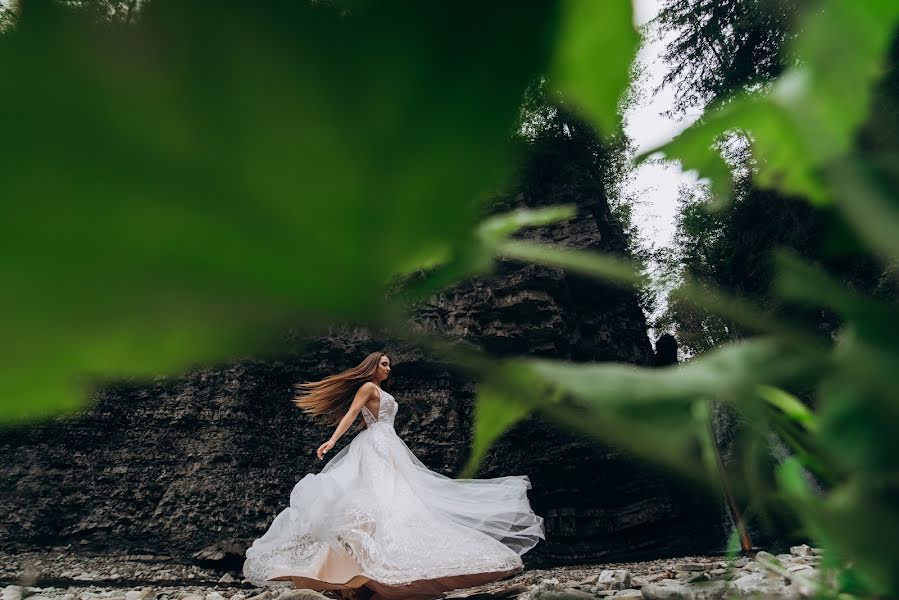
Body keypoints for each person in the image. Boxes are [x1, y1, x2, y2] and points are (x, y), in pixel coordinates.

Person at [243, 352, 545, 600]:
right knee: (381, 501)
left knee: (400, 499)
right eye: (384, 364)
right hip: (376, 444)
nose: (389, 368)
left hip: (388, 444)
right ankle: (362, 574)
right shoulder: (368, 389)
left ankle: (373, 573)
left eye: (389, 365)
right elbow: (351, 415)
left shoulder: (382, 392)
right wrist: (332, 441)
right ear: (372, 365)